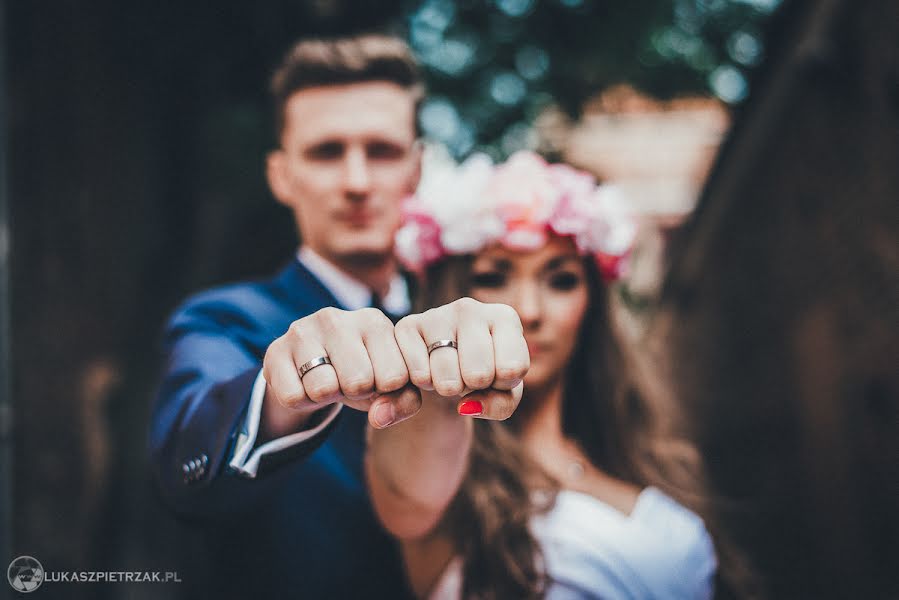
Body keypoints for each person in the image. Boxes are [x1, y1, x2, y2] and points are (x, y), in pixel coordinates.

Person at [148, 34, 494, 598]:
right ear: (282, 175)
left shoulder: (469, 324)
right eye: (326, 152)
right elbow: (189, 461)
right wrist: (283, 394)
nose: (356, 182)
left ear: (416, 167)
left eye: (381, 151)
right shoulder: (222, 320)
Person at [366, 150, 719, 599]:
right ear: (452, 299)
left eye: (561, 281)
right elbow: (406, 493)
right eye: (494, 278)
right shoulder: (439, 478)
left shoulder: (653, 462)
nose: (528, 312)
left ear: (591, 307)